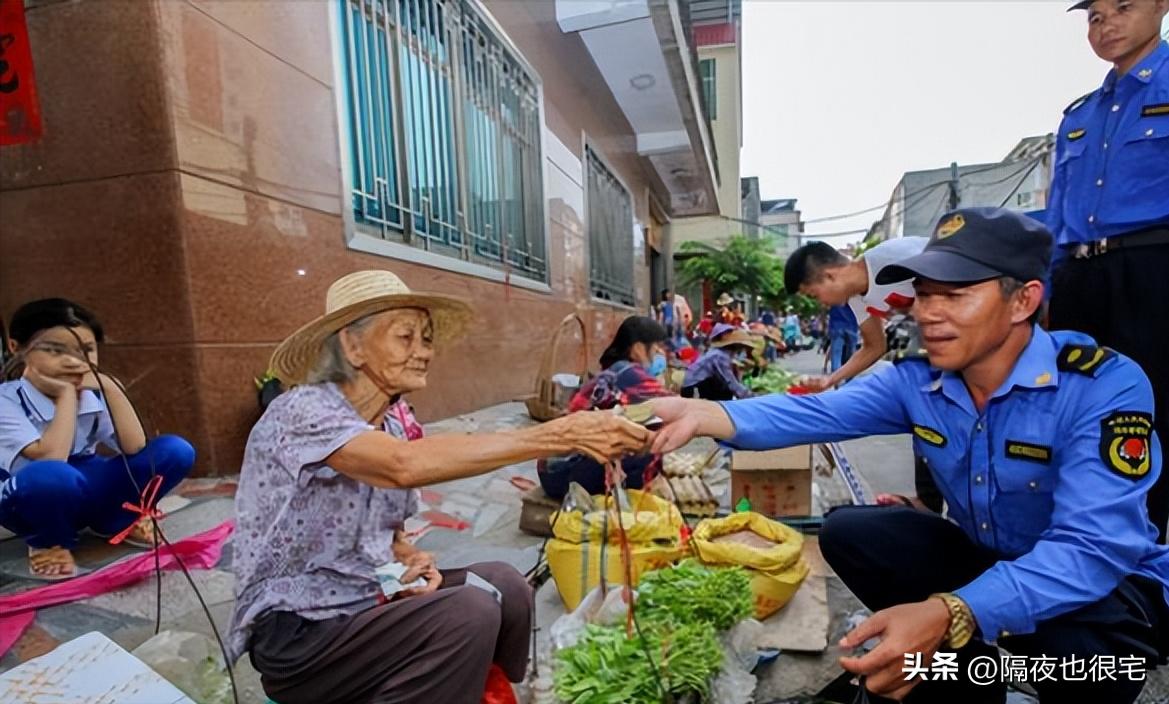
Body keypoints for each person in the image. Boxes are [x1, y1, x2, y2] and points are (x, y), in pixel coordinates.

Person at [650, 208, 1169, 703]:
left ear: (1022, 301)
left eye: (955, 295)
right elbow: (812, 415)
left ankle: (956, 660)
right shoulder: (917, 382)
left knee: (1084, 661)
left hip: (1104, 588)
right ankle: (959, 678)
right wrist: (695, 414)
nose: (928, 314)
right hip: (991, 558)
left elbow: (1091, 548)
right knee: (851, 532)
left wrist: (951, 611)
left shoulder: (1101, 385)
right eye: (922, 295)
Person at [228, 270, 651, 704]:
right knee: (468, 613)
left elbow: (386, 533)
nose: (423, 352)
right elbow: (400, 466)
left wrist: (411, 560)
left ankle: (491, 695)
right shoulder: (301, 411)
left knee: (508, 586)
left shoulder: (392, 421)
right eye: (405, 337)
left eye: (426, 339)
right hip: (301, 634)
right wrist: (564, 433)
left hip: (366, 598)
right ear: (352, 346)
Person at [1048, 0, 1169, 542]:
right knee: (1075, 410)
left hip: (1153, 269)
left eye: (1123, 7)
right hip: (1079, 277)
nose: (1107, 24)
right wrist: (1047, 289)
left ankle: (1146, 556)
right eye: (1095, 15)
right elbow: (1056, 213)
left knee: (1151, 413)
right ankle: (1084, 547)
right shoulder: (1080, 115)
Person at [0, 299, 195, 579]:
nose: (73, 361)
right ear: (16, 348)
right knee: (51, 477)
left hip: (85, 480)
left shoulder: (92, 392)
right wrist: (66, 395)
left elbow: (134, 446)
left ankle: (117, 520)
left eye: (86, 350)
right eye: (55, 350)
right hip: (33, 495)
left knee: (175, 451)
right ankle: (48, 542)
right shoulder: (6, 400)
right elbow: (51, 459)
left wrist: (112, 388)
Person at [538, 316, 673, 500]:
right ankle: (630, 500)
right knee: (645, 451)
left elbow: (636, 413)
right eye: (656, 347)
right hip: (562, 473)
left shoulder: (615, 370)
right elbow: (673, 407)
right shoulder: (629, 373)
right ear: (639, 349)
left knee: (643, 429)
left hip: (553, 470)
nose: (660, 353)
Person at [784, 237, 927, 390]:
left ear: (829, 276)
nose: (820, 303)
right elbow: (875, 346)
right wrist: (830, 380)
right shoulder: (857, 298)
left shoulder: (895, 258)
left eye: (813, 295)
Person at [681, 324, 755, 401]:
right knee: (725, 388)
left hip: (696, 386)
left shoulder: (723, 354)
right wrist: (750, 397)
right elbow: (730, 381)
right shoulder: (719, 356)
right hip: (693, 388)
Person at [824, 304, 859, 375]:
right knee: (851, 356)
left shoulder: (833, 296)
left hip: (837, 327)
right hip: (852, 327)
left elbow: (825, 306)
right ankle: (849, 380)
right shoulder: (854, 296)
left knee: (836, 355)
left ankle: (837, 380)